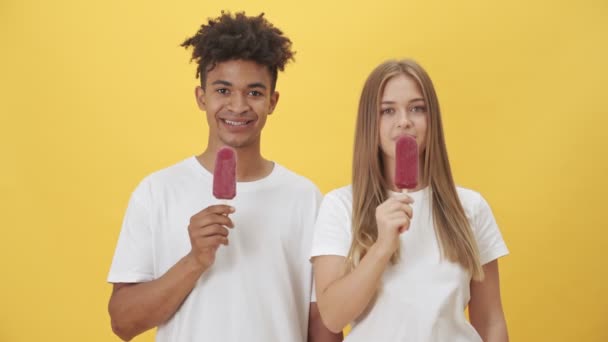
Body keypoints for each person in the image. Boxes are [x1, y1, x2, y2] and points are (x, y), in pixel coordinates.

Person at [107, 11, 341, 342]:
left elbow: (322, 324)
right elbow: (123, 323)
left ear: (272, 102)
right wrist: (195, 260)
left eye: (255, 93)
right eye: (223, 90)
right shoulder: (157, 192)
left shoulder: (305, 198)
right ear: (201, 97)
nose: (238, 106)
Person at [311, 59, 509, 341]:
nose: (404, 121)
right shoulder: (341, 206)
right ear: (371, 122)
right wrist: (381, 248)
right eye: (388, 110)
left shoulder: (471, 207)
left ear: (432, 120)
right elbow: (332, 317)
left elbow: (490, 320)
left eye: (417, 108)